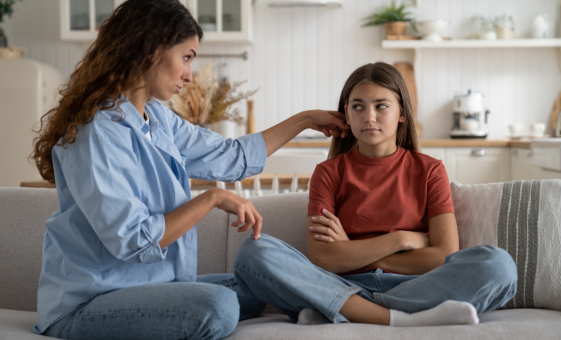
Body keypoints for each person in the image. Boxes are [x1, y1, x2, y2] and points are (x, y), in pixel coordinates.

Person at [30, 0, 348, 339]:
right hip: (90, 302)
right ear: (152, 49)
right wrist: (211, 199)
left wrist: (306, 120)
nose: (189, 74)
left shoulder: (157, 118)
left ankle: (356, 302)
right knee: (219, 307)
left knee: (258, 284)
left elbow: (230, 156)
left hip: (154, 286)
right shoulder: (94, 131)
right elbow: (134, 240)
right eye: (186, 57)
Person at [233, 62, 518, 327]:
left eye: (381, 106)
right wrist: (401, 239)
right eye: (357, 107)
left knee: (499, 265)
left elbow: (443, 255)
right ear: (346, 114)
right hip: (342, 284)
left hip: (413, 286)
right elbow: (323, 259)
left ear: (402, 113)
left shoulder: (430, 170)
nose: (369, 117)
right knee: (254, 252)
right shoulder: (328, 172)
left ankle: (344, 311)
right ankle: (402, 318)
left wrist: (355, 252)